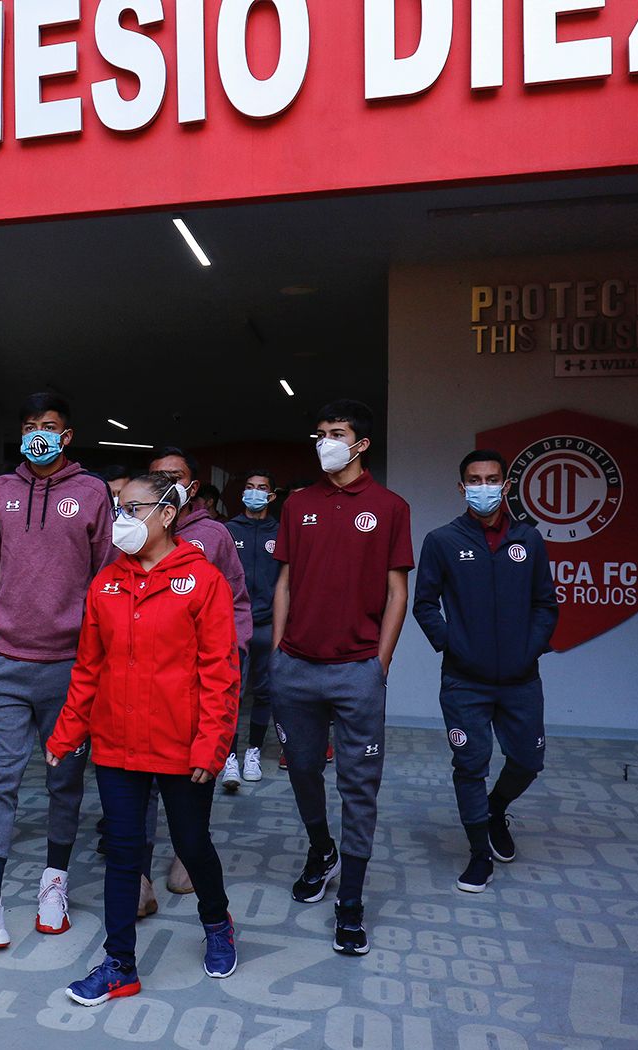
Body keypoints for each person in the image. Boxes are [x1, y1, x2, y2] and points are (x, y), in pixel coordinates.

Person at [45, 474, 241, 1001]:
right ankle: (119, 964)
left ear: (168, 513)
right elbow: (88, 668)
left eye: (134, 508)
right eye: (118, 507)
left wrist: (212, 745)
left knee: (191, 843)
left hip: (182, 745)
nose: (121, 519)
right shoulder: (106, 583)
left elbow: (220, 672)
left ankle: (217, 923)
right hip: (117, 744)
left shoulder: (203, 581)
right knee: (124, 852)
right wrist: (66, 733)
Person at [0, 392, 112, 949]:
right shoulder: (0, 490)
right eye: (28, 426)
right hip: (2, 663)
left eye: (48, 426)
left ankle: (53, 884)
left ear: (67, 436)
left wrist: (96, 653)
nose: (37, 434)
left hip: (68, 665)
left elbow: (105, 578)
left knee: (65, 780)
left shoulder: (91, 493)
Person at [271, 399, 412, 956]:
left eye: (336, 433)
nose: (325, 440)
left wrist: (379, 664)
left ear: (361, 445)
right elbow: (284, 581)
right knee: (303, 769)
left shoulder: (390, 506)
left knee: (360, 786)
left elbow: (398, 591)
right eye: (320, 431)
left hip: (357, 671)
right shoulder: (298, 503)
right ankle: (319, 849)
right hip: (296, 668)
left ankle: (350, 899)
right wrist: (280, 650)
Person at [413, 449, 557, 893]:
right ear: (462, 488)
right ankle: (479, 854)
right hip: (465, 681)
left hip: (519, 679)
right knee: (470, 764)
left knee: (529, 760)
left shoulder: (529, 540)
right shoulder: (442, 540)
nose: (484, 487)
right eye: (474, 480)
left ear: (507, 484)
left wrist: (527, 650)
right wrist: (454, 645)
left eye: (492, 478)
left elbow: (545, 604)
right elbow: (423, 604)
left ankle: (497, 808)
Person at [146, 446, 252, 900]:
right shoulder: (132, 532)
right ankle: (136, 869)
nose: (168, 482)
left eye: (177, 475)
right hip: (141, 679)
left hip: (193, 681)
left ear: (191, 485)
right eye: (158, 476)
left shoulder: (213, 536)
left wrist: (233, 655)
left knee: (193, 769)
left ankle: (186, 852)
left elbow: (238, 601)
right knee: (137, 778)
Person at [224, 469, 281, 786]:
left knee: (264, 692)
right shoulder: (228, 531)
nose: (255, 492)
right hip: (234, 623)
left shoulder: (282, 532)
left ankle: (253, 753)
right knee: (232, 691)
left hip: (269, 625)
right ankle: (230, 758)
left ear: (271, 496)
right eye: (249, 487)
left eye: (262, 488)